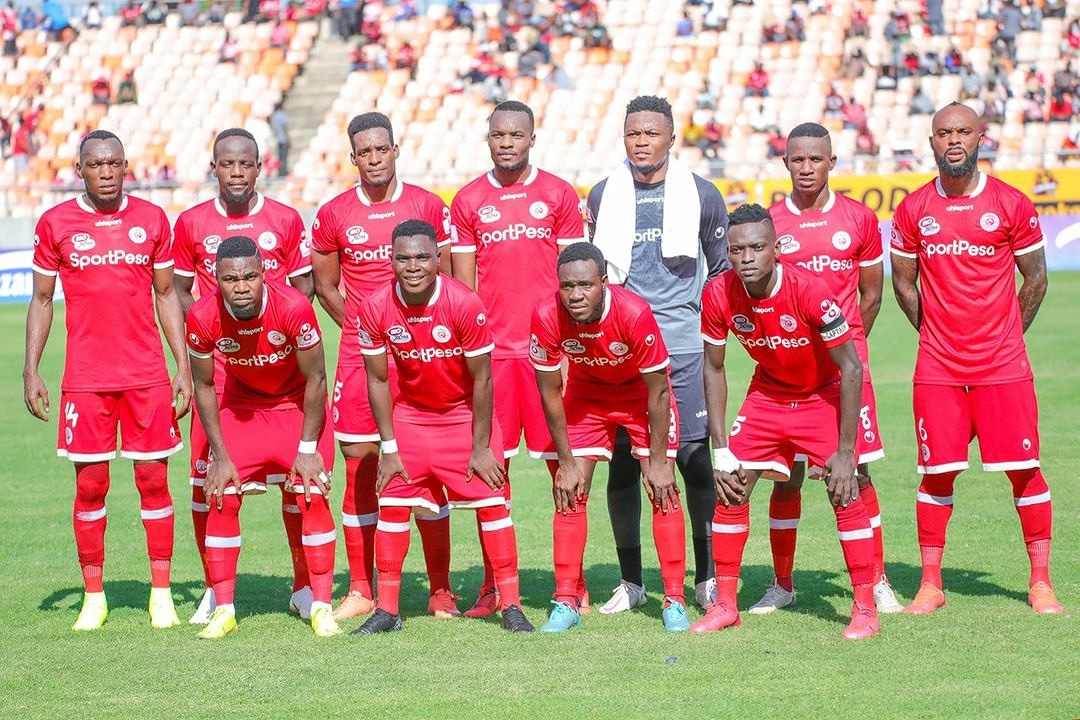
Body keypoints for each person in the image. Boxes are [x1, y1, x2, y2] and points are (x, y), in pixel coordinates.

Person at [890, 102, 1063, 616]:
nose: (954, 140)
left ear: (980, 138)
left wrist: (1006, 335)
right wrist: (935, 333)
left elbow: (1037, 278)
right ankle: (930, 585)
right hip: (938, 367)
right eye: (944, 133)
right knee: (936, 473)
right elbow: (903, 283)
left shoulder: (1011, 202)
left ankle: (1040, 582)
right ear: (932, 142)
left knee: (1025, 471)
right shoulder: (913, 208)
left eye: (963, 131)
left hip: (1002, 365)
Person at [24, 130, 191, 631]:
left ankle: (161, 594)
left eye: (114, 163)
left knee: (153, 481)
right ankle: (93, 596)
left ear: (125, 166)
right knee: (91, 485)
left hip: (146, 376)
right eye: (96, 165)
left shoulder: (151, 219)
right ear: (80, 170)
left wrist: (182, 365)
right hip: (86, 379)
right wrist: (31, 369)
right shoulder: (55, 223)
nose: (106, 172)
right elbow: (41, 299)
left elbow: (167, 295)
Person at [691, 203, 879, 640]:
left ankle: (865, 609)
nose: (747, 258)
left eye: (757, 248)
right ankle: (726, 606)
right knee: (731, 488)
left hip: (821, 394)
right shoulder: (717, 293)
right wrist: (720, 449)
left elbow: (851, 367)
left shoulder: (810, 291)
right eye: (737, 250)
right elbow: (713, 368)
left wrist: (846, 452)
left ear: (775, 249)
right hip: (768, 394)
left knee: (845, 490)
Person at [352, 220, 534, 634]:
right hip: (411, 418)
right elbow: (377, 380)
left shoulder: (464, 303)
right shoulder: (376, 306)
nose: (413, 266)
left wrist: (481, 446)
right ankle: (387, 610)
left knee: (494, 506)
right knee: (392, 506)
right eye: (403, 258)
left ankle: (511, 605)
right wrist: (389, 447)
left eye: (422, 257)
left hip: (464, 418)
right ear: (390, 260)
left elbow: (483, 379)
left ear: (438, 258)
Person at [310, 111, 456, 623]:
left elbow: (450, 278)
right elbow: (326, 284)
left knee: (428, 465)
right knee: (360, 463)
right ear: (353, 157)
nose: (373, 159)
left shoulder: (427, 206)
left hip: (425, 354)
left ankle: (440, 590)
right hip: (361, 357)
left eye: (381, 149)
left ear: (396, 150)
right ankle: (361, 588)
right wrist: (365, 328)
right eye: (364, 152)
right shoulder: (334, 213)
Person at [752, 122, 903, 616]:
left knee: (855, 471)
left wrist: (846, 353)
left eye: (815, 159)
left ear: (832, 162)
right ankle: (782, 583)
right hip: (787, 373)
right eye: (797, 159)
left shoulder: (859, 218)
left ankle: (877, 580)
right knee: (786, 477)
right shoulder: (771, 224)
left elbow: (871, 295)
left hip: (843, 372)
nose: (806, 168)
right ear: (785, 163)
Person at [586, 95, 729, 613]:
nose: (641, 142)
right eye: (633, 133)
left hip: (682, 346)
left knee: (692, 459)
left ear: (671, 137)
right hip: (621, 349)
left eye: (651, 133)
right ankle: (632, 582)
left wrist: (703, 326)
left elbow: (720, 272)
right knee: (625, 465)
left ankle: (706, 577)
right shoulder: (604, 194)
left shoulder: (702, 194)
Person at [172, 127, 314, 625]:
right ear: (214, 168)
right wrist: (207, 335)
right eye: (227, 164)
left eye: (245, 164)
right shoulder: (191, 222)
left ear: (259, 167)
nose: (236, 172)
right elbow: (178, 291)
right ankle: (215, 589)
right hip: (218, 374)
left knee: (297, 482)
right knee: (207, 482)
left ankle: (304, 586)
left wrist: (275, 339)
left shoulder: (286, 219)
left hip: (278, 374)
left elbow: (303, 287)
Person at [450, 100, 586, 618]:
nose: (507, 143)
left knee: (565, 469)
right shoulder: (469, 200)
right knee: (490, 472)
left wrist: (569, 348)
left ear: (532, 138)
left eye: (516, 135)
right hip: (493, 361)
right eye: (498, 135)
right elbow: (464, 291)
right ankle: (493, 587)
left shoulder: (558, 194)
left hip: (549, 354)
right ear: (488, 139)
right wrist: (469, 357)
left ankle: (571, 587)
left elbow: (576, 281)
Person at [186, 236, 338, 639]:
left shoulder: (294, 307)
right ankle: (224, 609)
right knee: (221, 492)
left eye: (249, 277)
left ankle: (320, 604)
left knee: (311, 491)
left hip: (296, 406)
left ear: (264, 274)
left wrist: (307, 450)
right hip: (244, 407)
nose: (241, 287)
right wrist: (220, 456)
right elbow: (205, 387)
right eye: (230, 279)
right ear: (215, 279)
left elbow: (317, 378)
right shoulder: (201, 316)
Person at [529, 242, 687, 633]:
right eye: (567, 286)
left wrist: (660, 461)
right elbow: (549, 391)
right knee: (569, 491)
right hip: (588, 394)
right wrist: (566, 463)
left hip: (640, 395)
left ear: (604, 282)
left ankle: (674, 600)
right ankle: (566, 600)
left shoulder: (634, 313)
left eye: (585, 285)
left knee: (662, 489)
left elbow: (659, 390)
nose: (575, 295)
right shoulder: (546, 315)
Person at [269, 102, 289, 176]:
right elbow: (285, 128)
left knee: (279, 157)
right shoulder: (283, 115)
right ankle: (283, 173)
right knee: (284, 158)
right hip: (283, 139)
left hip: (277, 139)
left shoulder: (274, 115)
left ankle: (280, 172)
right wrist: (288, 139)